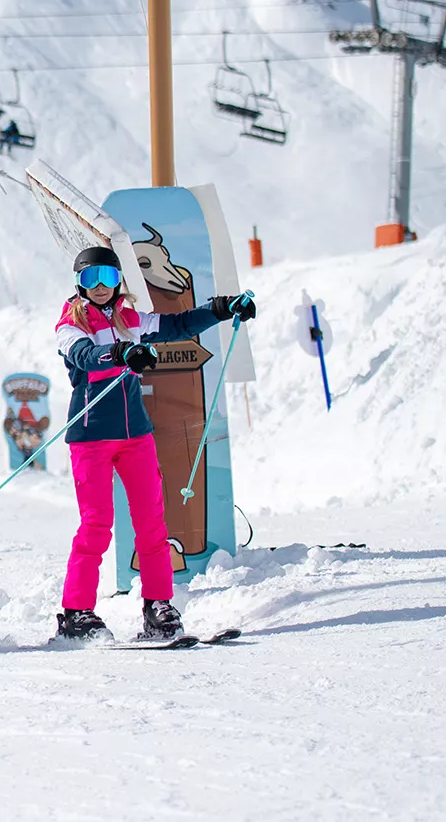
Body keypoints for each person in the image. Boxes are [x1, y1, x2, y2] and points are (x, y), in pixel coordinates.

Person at [54, 246, 256, 643]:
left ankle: (158, 606)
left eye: (108, 279)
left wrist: (223, 308)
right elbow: (86, 357)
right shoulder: (69, 325)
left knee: (152, 523)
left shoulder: (130, 319)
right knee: (97, 525)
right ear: (79, 283)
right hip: (92, 438)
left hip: (136, 437)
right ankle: (77, 612)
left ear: (118, 283)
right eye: (91, 279)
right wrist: (121, 351)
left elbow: (178, 325)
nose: (100, 287)